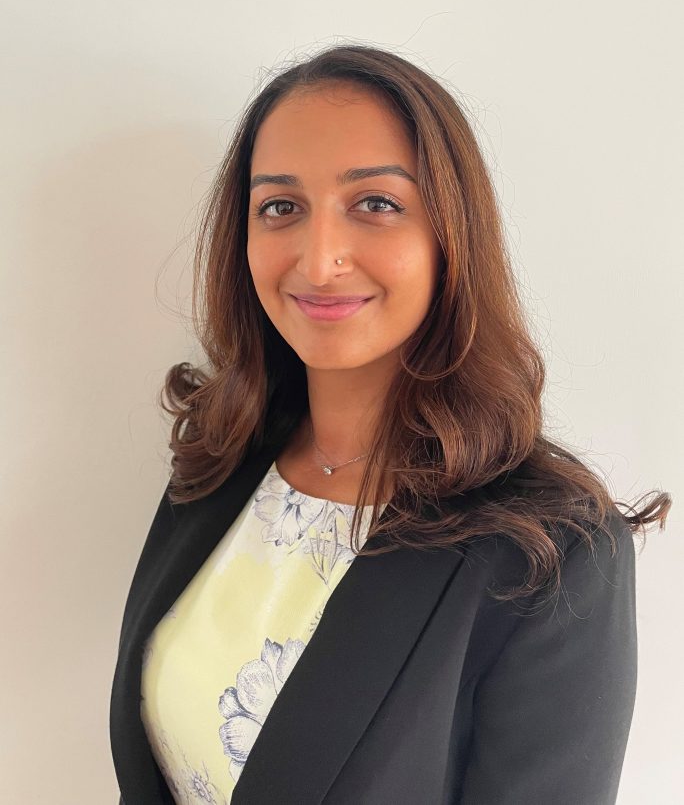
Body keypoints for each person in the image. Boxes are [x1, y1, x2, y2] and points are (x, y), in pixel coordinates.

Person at [110, 44, 671, 805]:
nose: (319, 261)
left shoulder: (550, 553)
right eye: (280, 207)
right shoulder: (223, 456)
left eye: (375, 204)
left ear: (450, 234)